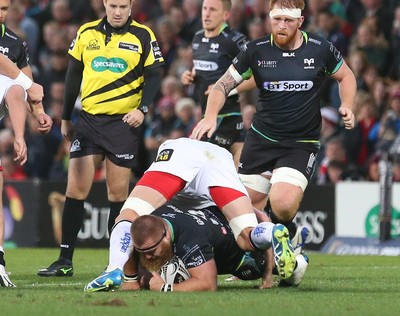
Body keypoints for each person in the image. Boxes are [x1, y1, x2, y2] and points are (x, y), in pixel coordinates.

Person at [191, 0, 356, 240]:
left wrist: (348, 105)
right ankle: (276, 249)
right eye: (276, 19)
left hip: (300, 143)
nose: (281, 26)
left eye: (288, 21)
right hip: (261, 140)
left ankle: (286, 240)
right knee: (244, 210)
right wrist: (210, 116)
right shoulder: (256, 50)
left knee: (282, 204)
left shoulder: (320, 48)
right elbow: (222, 85)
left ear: (300, 21)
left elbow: (346, 76)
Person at [37, 0, 164, 277]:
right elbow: (73, 75)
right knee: (75, 189)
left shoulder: (143, 35)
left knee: (116, 195)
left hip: (123, 124)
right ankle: (64, 261)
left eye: (123, 6)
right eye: (113, 5)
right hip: (89, 121)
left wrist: (142, 109)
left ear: (131, 6)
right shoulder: (86, 33)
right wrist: (66, 117)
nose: (117, 11)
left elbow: (155, 75)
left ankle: (115, 264)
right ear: (104, 4)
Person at [84, 137, 298, 292]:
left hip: (180, 154)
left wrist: (135, 280)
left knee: (129, 216)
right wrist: (268, 276)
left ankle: (114, 269)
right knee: (246, 236)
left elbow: (136, 225)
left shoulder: (163, 215)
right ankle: (271, 233)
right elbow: (258, 213)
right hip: (219, 160)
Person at [121, 204, 308, 292]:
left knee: (272, 270)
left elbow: (208, 285)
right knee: (253, 229)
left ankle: (295, 256)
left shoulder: (191, 241)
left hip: (239, 253)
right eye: (142, 252)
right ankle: (270, 233)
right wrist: (140, 277)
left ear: (166, 236)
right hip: (221, 216)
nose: (148, 257)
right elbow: (137, 252)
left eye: (151, 252)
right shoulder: (154, 219)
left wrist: (165, 288)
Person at [0, 0, 52, 287]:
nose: (1, 13)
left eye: (5, 8)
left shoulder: (15, 42)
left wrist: (40, 112)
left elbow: (24, 86)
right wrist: (29, 85)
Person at [181, 0, 249, 167]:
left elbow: (254, 75)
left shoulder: (235, 41)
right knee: (235, 169)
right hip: (207, 114)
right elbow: (202, 67)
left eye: (212, 9)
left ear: (226, 15)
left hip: (227, 114)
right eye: (205, 9)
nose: (207, 13)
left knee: (201, 165)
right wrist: (191, 75)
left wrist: (226, 89)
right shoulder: (197, 37)